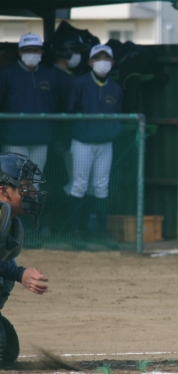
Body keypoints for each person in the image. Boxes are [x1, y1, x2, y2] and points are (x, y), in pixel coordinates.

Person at [65, 44, 122, 244]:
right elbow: (68, 111)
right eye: (98, 58)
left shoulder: (115, 88)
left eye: (106, 58)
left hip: (105, 143)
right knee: (79, 185)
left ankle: (100, 232)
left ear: (112, 63)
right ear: (90, 62)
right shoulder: (79, 83)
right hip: (82, 142)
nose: (102, 62)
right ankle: (75, 232)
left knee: (101, 186)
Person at [0, 153, 49, 364]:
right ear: (3, 191)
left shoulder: (10, 221)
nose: (33, 191)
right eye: (25, 185)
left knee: (7, 349)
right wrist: (20, 274)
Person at [0, 33, 57, 181]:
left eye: (35, 50)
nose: (31, 53)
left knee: (34, 183)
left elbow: (53, 104)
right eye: (27, 50)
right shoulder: (7, 74)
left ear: (42, 52)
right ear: (19, 52)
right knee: (15, 183)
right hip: (14, 139)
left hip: (41, 139)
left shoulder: (49, 75)